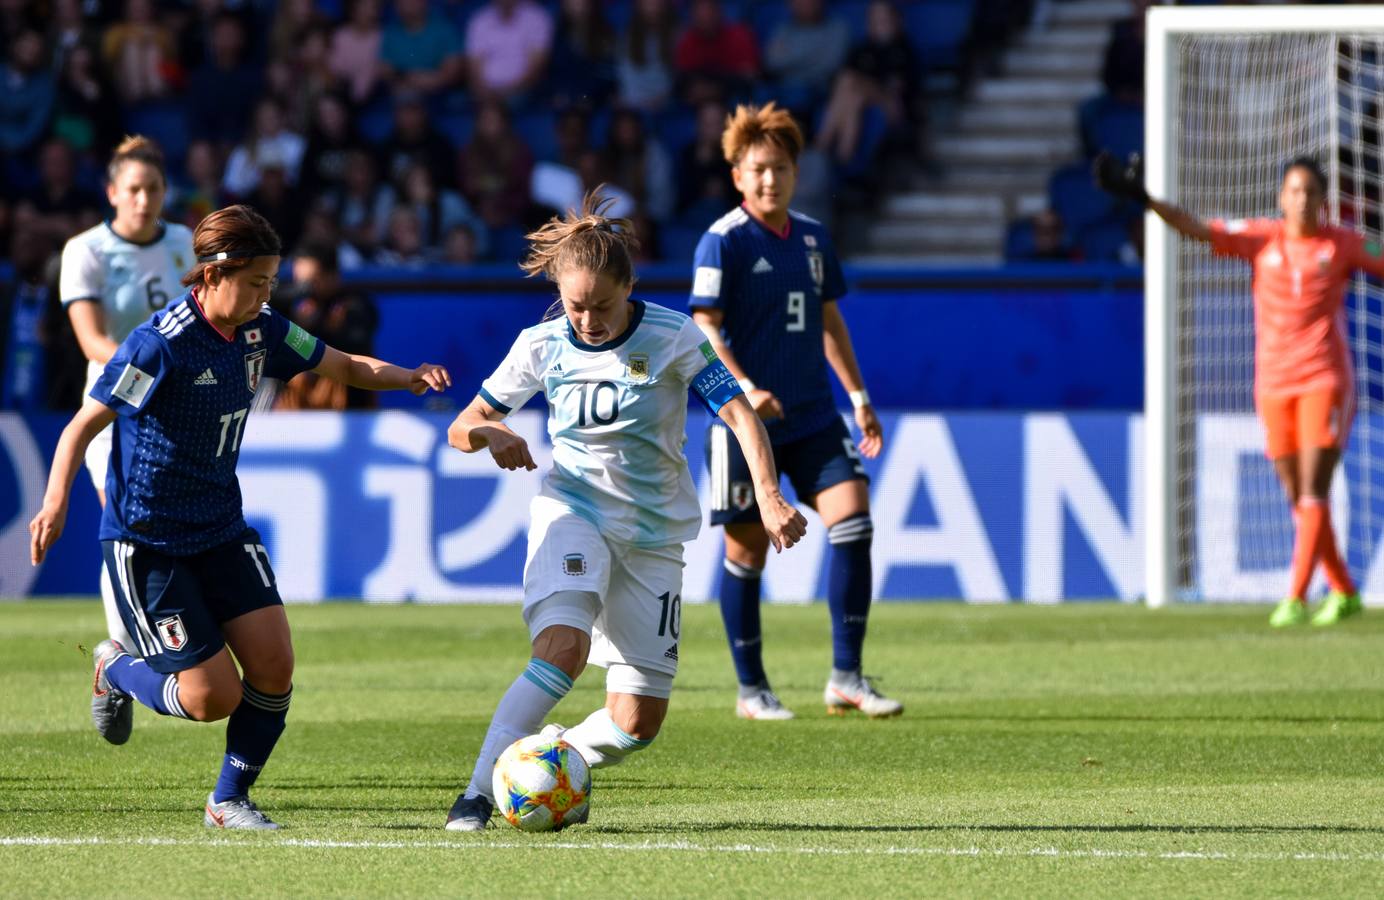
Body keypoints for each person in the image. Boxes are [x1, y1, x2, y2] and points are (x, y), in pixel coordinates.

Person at [30, 204, 450, 829]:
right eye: (257, 283)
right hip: (150, 540)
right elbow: (83, 426)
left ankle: (228, 801)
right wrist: (56, 500)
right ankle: (114, 667)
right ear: (215, 273)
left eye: (271, 283)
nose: (266, 295)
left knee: (275, 666)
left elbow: (344, 365)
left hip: (222, 528)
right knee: (211, 698)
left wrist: (410, 376)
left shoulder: (264, 330)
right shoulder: (160, 345)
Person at [442, 189, 807, 831]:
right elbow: (462, 426)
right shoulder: (541, 344)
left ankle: (550, 761)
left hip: (654, 537)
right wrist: (489, 433)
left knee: (638, 722)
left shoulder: (673, 336)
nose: (588, 320)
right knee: (563, 648)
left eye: (602, 306)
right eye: (576, 306)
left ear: (629, 286)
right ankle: (476, 793)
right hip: (573, 512)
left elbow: (737, 412)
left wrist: (771, 495)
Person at [1096, 152, 1384, 627]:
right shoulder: (1261, 240)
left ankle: (1294, 597)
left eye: (1311, 192)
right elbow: (1196, 228)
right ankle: (1345, 590)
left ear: (1324, 200)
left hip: (1324, 379)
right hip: (1272, 382)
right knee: (1297, 496)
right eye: (1294, 191)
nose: (1303, 200)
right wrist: (1146, 201)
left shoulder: (1342, 245)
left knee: (1314, 488)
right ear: (1280, 198)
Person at [689, 103, 900, 721]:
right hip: (743, 423)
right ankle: (752, 688)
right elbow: (705, 329)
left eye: (779, 168)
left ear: (796, 172)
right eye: (757, 169)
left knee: (854, 521)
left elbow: (829, 319)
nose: (769, 180)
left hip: (812, 415)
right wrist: (745, 387)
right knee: (748, 551)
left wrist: (859, 397)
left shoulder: (812, 237)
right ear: (736, 175)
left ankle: (847, 676)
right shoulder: (722, 241)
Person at [59, 136, 195, 655]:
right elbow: (91, 340)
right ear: (112, 192)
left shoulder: (186, 241)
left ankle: (167, 638)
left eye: (154, 189)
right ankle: (120, 653)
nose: (144, 200)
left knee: (173, 525)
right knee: (124, 524)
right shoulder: (86, 250)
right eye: (134, 189)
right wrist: (149, 370)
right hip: (112, 407)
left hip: (179, 408)